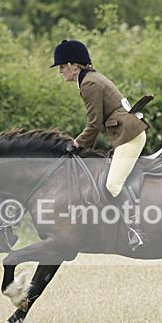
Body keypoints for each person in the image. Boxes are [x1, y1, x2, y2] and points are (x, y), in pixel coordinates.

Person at [51, 39, 149, 250]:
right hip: (126, 133)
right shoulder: (91, 79)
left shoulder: (89, 84)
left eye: (62, 66)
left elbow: (94, 124)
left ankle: (135, 230)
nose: (60, 71)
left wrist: (77, 143)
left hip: (129, 135)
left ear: (74, 66)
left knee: (112, 184)